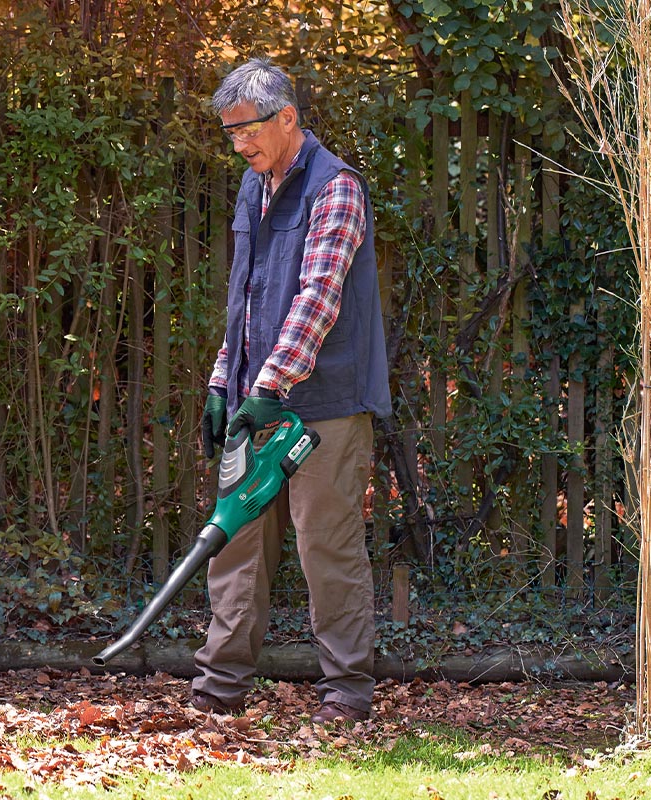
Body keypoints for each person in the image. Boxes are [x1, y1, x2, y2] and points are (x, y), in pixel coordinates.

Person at [194, 57, 392, 724]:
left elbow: (318, 299)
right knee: (236, 542)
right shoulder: (254, 189)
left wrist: (271, 383)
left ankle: (347, 691)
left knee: (325, 545)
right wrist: (226, 380)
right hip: (257, 399)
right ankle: (219, 687)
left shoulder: (335, 189)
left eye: (247, 130)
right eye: (229, 134)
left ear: (287, 118)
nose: (240, 144)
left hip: (324, 406)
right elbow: (247, 300)